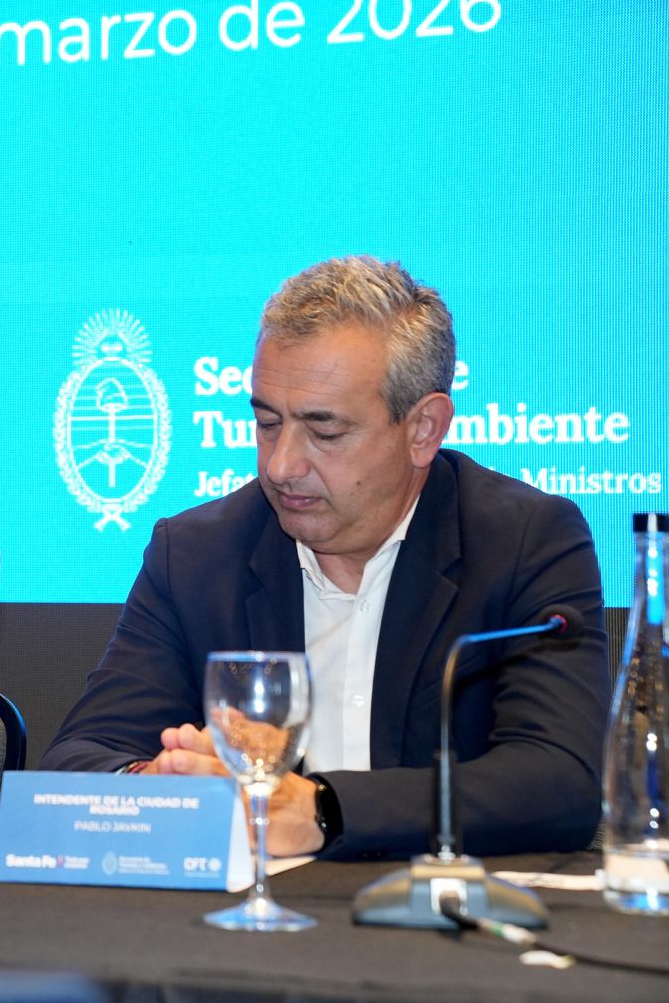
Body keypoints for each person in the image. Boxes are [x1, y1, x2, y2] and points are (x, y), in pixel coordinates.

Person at [41, 256, 609, 859]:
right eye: (267, 423)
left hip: (437, 908)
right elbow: (76, 759)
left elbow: (559, 782)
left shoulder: (524, 541)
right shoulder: (196, 554)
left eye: (325, 432)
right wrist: (156, 784)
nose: (281, 465)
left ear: (424, 428)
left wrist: (319, 810)